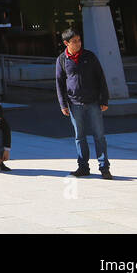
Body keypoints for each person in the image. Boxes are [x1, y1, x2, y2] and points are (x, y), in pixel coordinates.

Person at [56, 29, 112, 179]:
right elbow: (59, 83)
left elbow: (101, 78)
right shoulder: (62, 60)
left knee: (99, 135)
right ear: (66, 43)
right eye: (74, 41)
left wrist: (104, 99)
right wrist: (63, 104)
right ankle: (83, 167)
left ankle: (104, 167)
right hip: (74, 104)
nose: (78, 43)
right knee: (79, 136)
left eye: (79, 40)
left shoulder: (89, 56)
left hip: (93, 102)